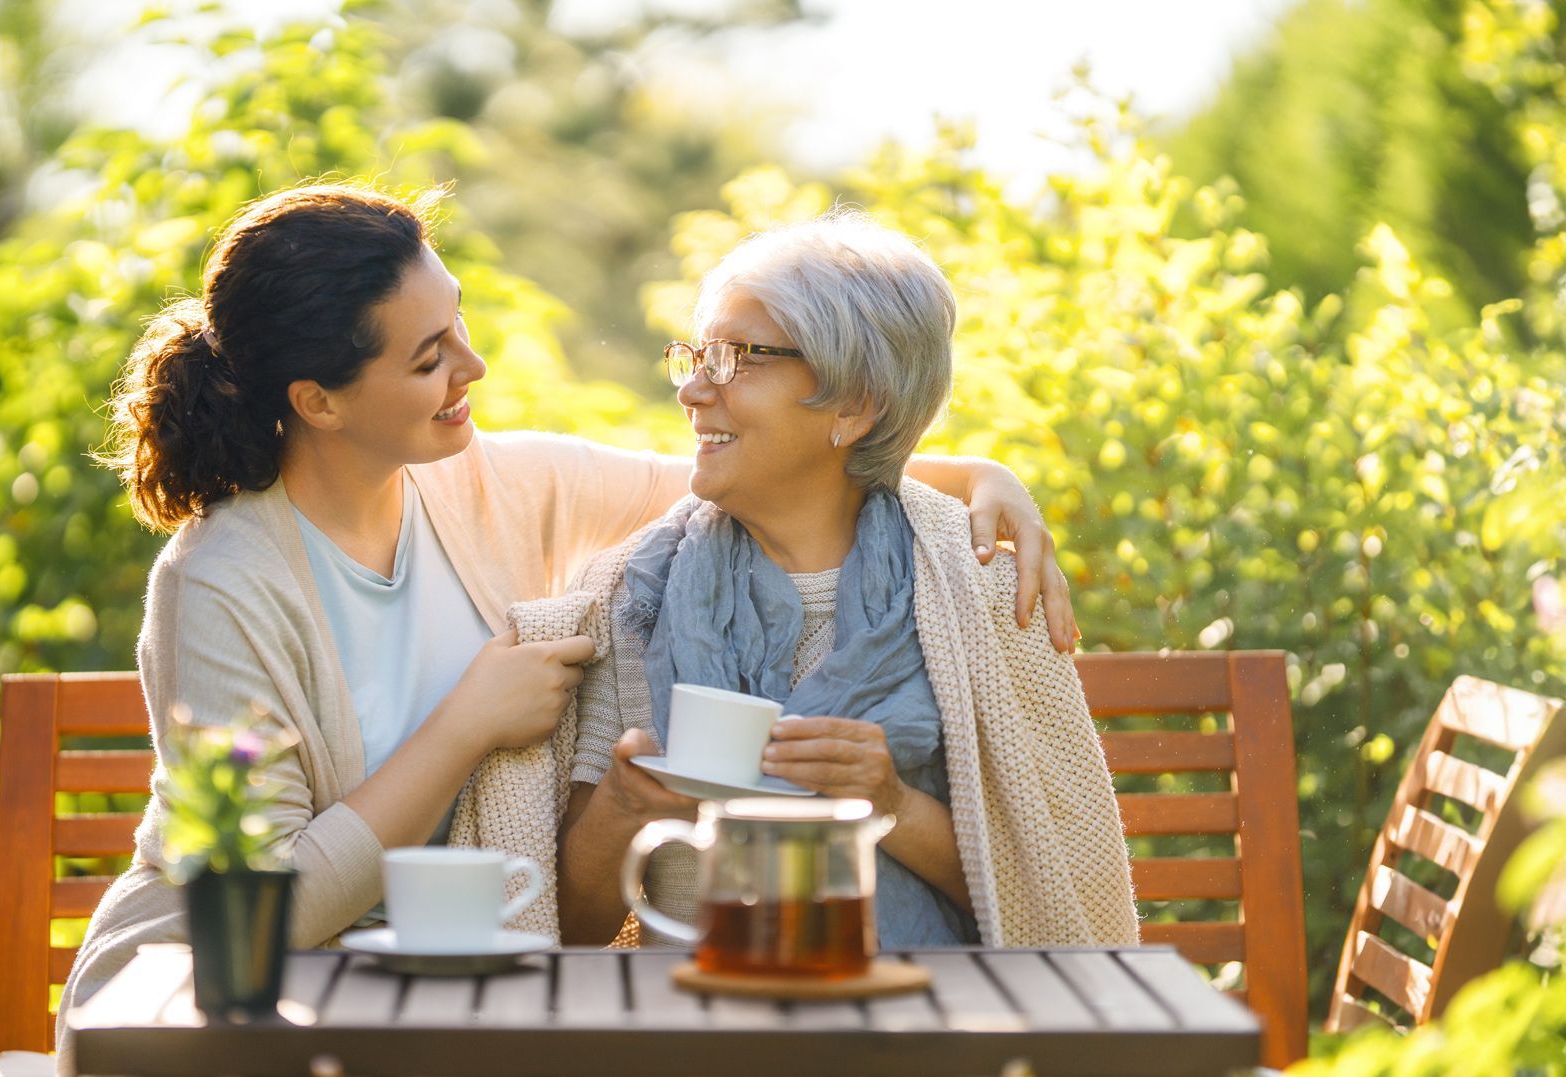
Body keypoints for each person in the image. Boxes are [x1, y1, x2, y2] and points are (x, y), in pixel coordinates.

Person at [57, 184, 1076, 1062]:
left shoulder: (492, 482)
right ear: (320, 401)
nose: (475, 366)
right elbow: (262, 909)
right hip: (215, 1005)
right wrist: (468, 726)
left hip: (441, 993)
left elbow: (749, 465)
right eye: (428, 357)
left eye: (457, 321)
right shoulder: (222, 584)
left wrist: (983, 476)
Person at [557, 213, 1138, 949]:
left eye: (738, 358)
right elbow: (572, 930)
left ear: (855, 405)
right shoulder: (636, 593)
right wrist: (620, 804)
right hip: (706, 1031)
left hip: (931, 1031)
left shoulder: (979, 581)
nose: (694, 391)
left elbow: (1053, 896)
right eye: (698, 356)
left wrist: (887, 800)